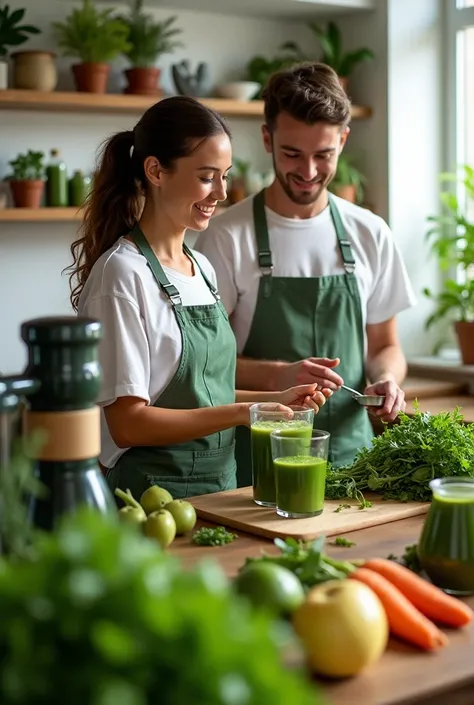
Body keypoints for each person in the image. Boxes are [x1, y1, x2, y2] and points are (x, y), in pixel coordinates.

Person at [69, 96, 330, 500]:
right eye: (207, 177)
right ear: (155, 170)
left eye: (224, 176)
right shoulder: (121, 275)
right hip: (150, 497)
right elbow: (128, 424)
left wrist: (273, 402)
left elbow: (208, 395)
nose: (221, 192)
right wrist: (245, 414)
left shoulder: (202, 268)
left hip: (222, 489)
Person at [195, 63, 417, 485]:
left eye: (324, 155)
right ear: (267, 138)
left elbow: (386, 344)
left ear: (343, 140)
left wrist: (387, 379)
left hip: (356, 466)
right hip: (257, 463)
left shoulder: (370, 232)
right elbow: (205, 367)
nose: (309, 171)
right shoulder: (226, 237)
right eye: (292, 154)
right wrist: (281, 374)